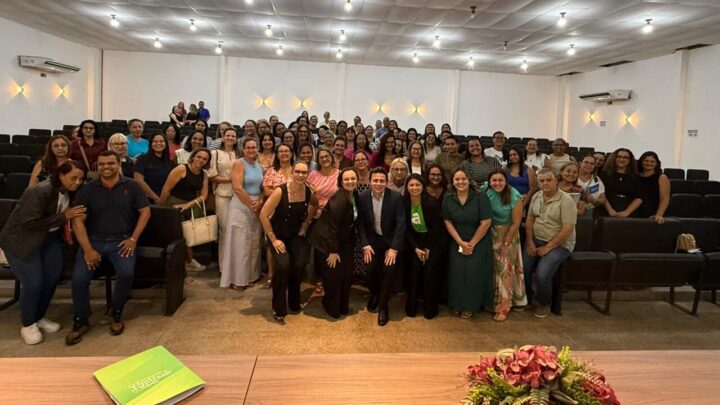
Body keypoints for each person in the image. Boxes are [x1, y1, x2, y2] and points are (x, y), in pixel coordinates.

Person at [66, 151, 151, 345]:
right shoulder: (87, 189)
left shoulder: (132, 186)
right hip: (93, 241)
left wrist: (133, 239)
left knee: (126, 273)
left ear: (118, 164)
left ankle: (116, 311)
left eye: (110, 163)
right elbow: (78, 221)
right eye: (102, 164)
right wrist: (88, 250)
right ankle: (81, 318)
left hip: (121, 241)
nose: (106, 167)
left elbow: (145, 212)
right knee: (78, 279)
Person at [0, 161, 86, 344]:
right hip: (22, 241)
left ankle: (38, 317)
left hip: (49, 239)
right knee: (33, 282)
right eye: (73, 178)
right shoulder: (40, 191)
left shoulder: (69, 191)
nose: (77, 182)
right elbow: (29, 222)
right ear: (61, 175)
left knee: (51, 278)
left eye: (81, 178)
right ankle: (28, 324)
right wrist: (64, 217)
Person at [260, 163, 317, 322]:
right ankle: (278, 307)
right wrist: (273, 239)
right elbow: (263, 215)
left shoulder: (309, 191)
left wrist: (306, 223)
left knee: (299, 265)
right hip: (278, 235)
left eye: (304, 172)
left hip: (296, 234)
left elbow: (315, 204)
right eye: (297, 171)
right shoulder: (280, 191)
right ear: (292, 173)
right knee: (283, 266)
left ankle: (294, 301)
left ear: (307, 174)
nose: (300, 175)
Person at [523, 168, 577, 318]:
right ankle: (527, 298)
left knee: (542, 274)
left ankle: (543, 302)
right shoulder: (536, 196)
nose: (545, 183)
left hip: (560, 244)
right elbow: (530, 219)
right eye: (542, 181)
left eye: (549, 180)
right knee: (523, 268)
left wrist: (548, 247)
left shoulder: (566, 200)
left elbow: (567, 229)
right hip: (536, 239)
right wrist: (529, 241)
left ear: (556, 181)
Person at [442, 168, 493, 319]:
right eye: (457, 179)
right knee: (457, 273)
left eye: (463, 179)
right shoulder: (448, 197)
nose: (460, 182)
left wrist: (471, 244)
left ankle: (471, 305)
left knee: (473, 274)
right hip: (456, 239)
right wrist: (460, 242)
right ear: (452, 181)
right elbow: (447, 221)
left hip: (478, 240)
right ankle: (457, 303)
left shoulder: (480, 196)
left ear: (469, 180)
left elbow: (486, 222)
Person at [357, 168, 406, 326]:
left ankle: (383, 306)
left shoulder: (396, 197)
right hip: (372, 242)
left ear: (386, 182)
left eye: (381, 181)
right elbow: (361, 223)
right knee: (370, 268)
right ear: (370, 181)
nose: (378, 184)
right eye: (375, 180)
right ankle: (375, 294)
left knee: (388, 270)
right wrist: (365, 244)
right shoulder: (362, 196)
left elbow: (401, 224)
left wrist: (394, 248)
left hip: (390, 242)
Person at [309, 167, 359, 319]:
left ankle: (342, 306)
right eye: (346, 179)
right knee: (334, 277)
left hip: (341, 240)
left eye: (353, 178)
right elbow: (333, 227)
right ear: (340, 182)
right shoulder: (340, 199)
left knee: (346, 274)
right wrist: (333, 251)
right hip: (327, 242)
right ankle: (332, 307)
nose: (350, 181)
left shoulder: (354, 195)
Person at [220, 138, 264, 290]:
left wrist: (260, 202)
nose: (251, 150)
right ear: (243, 149)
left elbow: (262, 188)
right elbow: (237, 188)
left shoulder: (259, 166)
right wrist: (252, 205)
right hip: (241, 204)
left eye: (254, 147)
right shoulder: (239, 164)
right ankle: (237, 280)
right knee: (240, 243)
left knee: (253, 242)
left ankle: (251, 276)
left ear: (257, 149)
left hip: (256, 205)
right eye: (248, 148)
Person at [483, 169, 526, 322]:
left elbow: (516, 223)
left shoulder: (514, 195)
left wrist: (506, 243)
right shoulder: (485, 190)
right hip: (489, 232)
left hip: (508, 234)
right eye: (494, 180)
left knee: (504, 270)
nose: (497, 183)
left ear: (506, 181)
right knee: (493, 270)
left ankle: (504, 306)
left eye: (500, 180)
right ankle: (492, 302)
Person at [160, 148, 211, 274]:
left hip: (188, 206)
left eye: (204, 159)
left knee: (188, 236)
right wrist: (161, 209)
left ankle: (188, 262)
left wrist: (188, 205)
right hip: (174, 205)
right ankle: (185, 264)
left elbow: (204, 195)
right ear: (193, 156)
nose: (201, 160)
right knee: (179, 237)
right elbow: (166, 190)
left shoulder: (204, 174)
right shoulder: (181, 169)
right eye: (199, 157)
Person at [403, 174, 443, 319]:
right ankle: (412, 307)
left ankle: (430, 308)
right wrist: (415, 248)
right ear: (407, 187)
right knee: (413, 273)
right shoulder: (404, 203)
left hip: (432, 242)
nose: (414, 188)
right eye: (411, 185)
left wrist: (427, 248)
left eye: (417, 185)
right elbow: (406, 229)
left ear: (423, 186)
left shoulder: (432, 203)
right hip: (414, 242)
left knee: (429, 274)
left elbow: (436, 228)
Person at [208, 127, 240, 270]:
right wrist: (230, 180)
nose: (230, 138)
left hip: (239, 195)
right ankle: (224, 266)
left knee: (237, 230)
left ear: (236, 138)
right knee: (225, 230)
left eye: (233, 136)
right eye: (228, 135)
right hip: (222, 194)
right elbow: (212, 176)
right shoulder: (215, 153)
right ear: (223, 136)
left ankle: (237, 265)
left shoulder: (239, 154)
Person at [599, 148, 643, 218]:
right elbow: (601, 194)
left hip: (629, 213)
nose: (622, 159)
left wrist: (627, 212)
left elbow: (639, 197)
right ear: (614, 158)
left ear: (630, 160)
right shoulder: (604, 175)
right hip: (606, 211)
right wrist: (610, 210)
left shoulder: (636, 177)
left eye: (625, 157)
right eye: (619, 156)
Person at [133, 133, 174, 204]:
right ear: (151, 144)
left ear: (165, 144)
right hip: (146, 200)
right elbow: (138, 180)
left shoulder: (170, 162)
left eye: (161, 141)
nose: (158, 143)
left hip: (165, 201)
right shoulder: (142, 159)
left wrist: (162, 199)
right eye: (155, 141)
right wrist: (156, 198)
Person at [636, 151, 670, 223]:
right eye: (646, 161)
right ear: (641, 162)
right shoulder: (635, 176)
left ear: (656, 163)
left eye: (652, 161)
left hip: (653, 213)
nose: (648, 163)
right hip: (636, 212)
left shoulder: (662, 177)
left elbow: (664, 199)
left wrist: (659, 214)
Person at [506, 146, 537, 211]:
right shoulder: (505, 169)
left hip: (524, 200)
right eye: (510, 155)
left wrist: (523, 204)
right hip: (508, 201)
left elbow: (532, 188)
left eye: (515, 154)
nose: (512, 157)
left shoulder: (528, 169)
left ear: (519, 155)